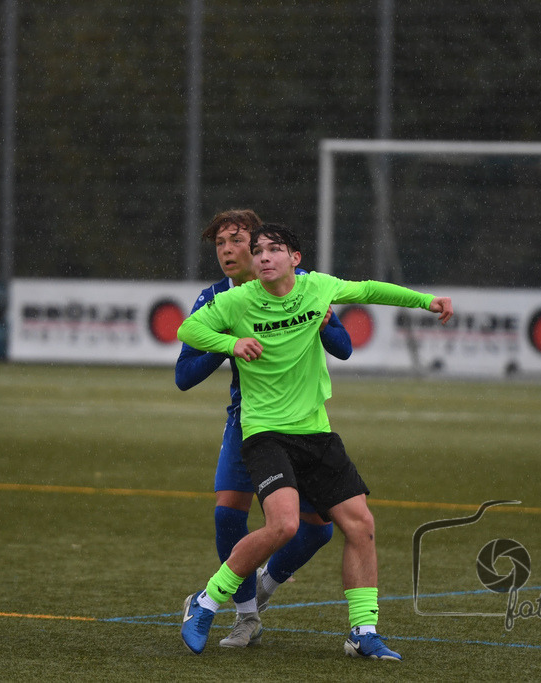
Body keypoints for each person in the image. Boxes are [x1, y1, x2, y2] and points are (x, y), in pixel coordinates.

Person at [178, 224, 453, 659]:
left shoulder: (318, 288)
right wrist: (231, 342)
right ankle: (206, 602)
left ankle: (362, 632)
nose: (263, 257)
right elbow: (188, 331)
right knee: (284, 525)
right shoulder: (235, 301)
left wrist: (426, 301)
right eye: (259, 251)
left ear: (295, 259)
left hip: (316, 432)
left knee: (360, 525)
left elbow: (369, 290)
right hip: (265, 433)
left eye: (275, 250)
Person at [175, 209, 352, 648]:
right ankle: (246, 616)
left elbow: (344, 349)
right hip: (247, 421)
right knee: (228, 512)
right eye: (219, 244)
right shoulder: (215, 299)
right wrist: (229, 340)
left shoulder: (301, 283)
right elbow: (184, 375)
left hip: (300, 422)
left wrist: (327, 321)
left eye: (236, 240)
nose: (227, 251)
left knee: (318, 528)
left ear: (260, 247)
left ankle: (266, 584)